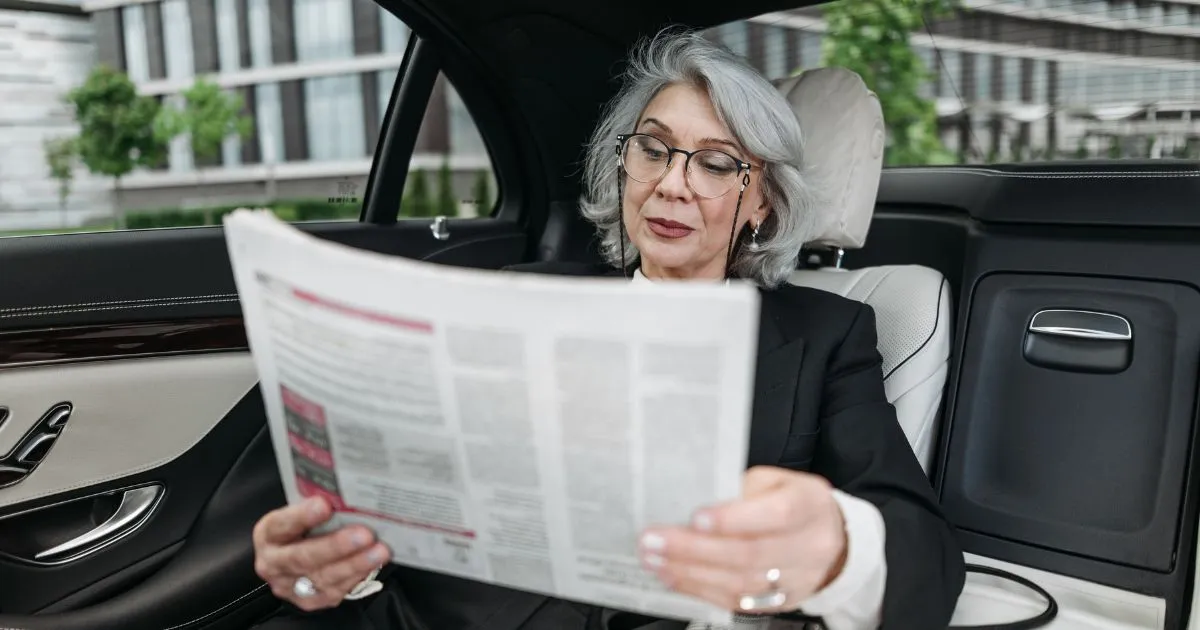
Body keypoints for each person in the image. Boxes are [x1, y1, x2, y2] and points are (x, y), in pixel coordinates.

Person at [250, 27, 966, 630]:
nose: (672, 183)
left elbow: (926, 558)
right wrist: (335, 568)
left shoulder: (828, 336)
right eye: (653, 149)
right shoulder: (516, 296)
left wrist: (838, 548)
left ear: (761, 205)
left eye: (716, 164)